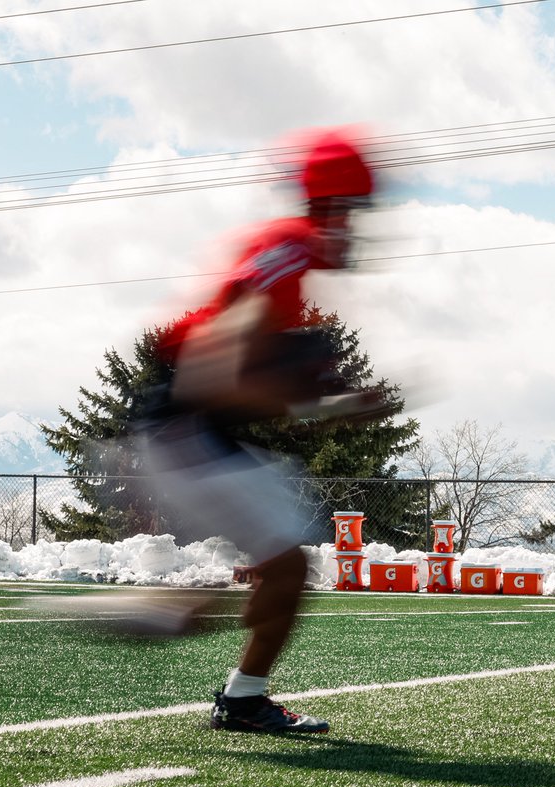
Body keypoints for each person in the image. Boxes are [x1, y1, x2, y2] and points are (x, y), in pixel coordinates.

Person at [140, 128, 391, 733]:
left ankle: (229, 673)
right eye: (351, 213)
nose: (354, 231)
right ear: (331, 206)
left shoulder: (289, 258)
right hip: (186, 426)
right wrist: (316, 397)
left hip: (199, 426)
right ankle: (185, 626)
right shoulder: (291, 249)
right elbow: (214, 370)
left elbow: (236, 377)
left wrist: (322, 400)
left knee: (287, 564)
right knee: (287, 567)